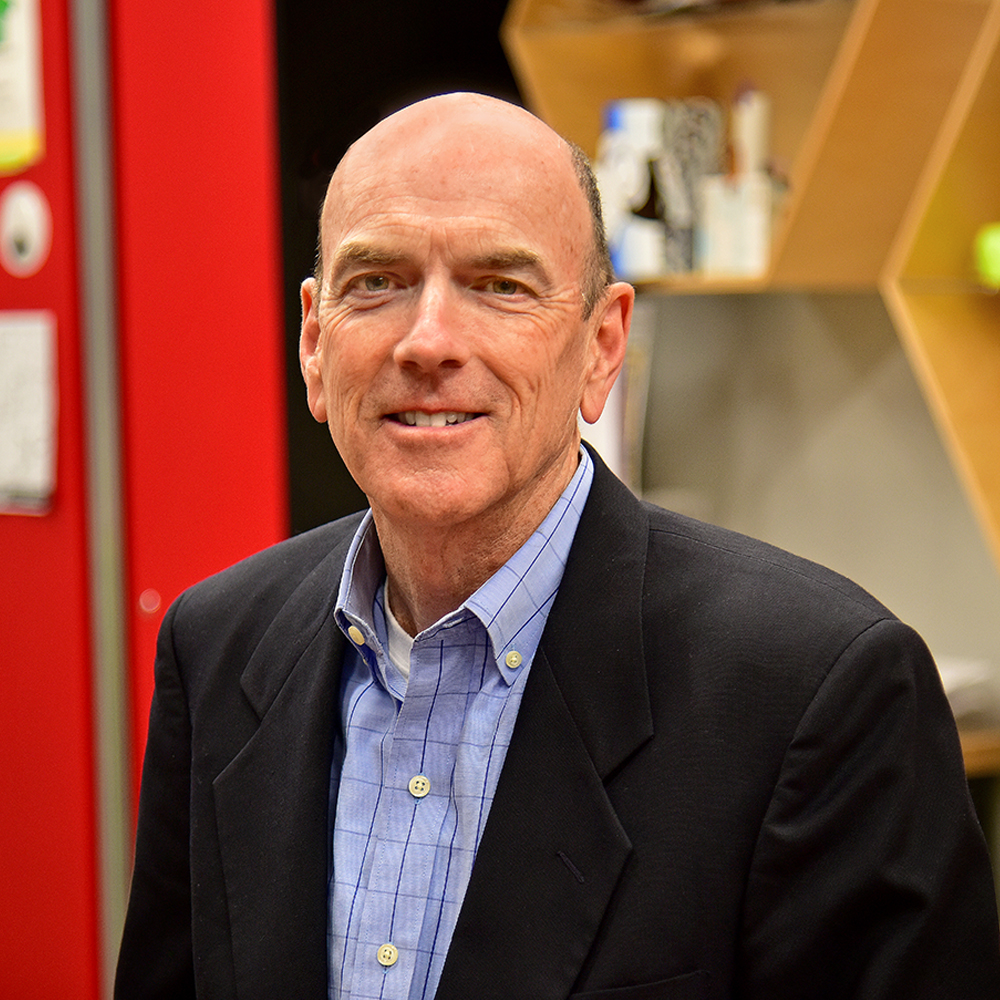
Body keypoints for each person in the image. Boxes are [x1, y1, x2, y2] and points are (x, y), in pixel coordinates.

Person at [115, 92, 1000, 1000]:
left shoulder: (817, 693)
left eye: (500, 285)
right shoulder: (217, 646)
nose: (428, 342)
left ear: (602, 347)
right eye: (375, 281)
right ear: (313, 341)